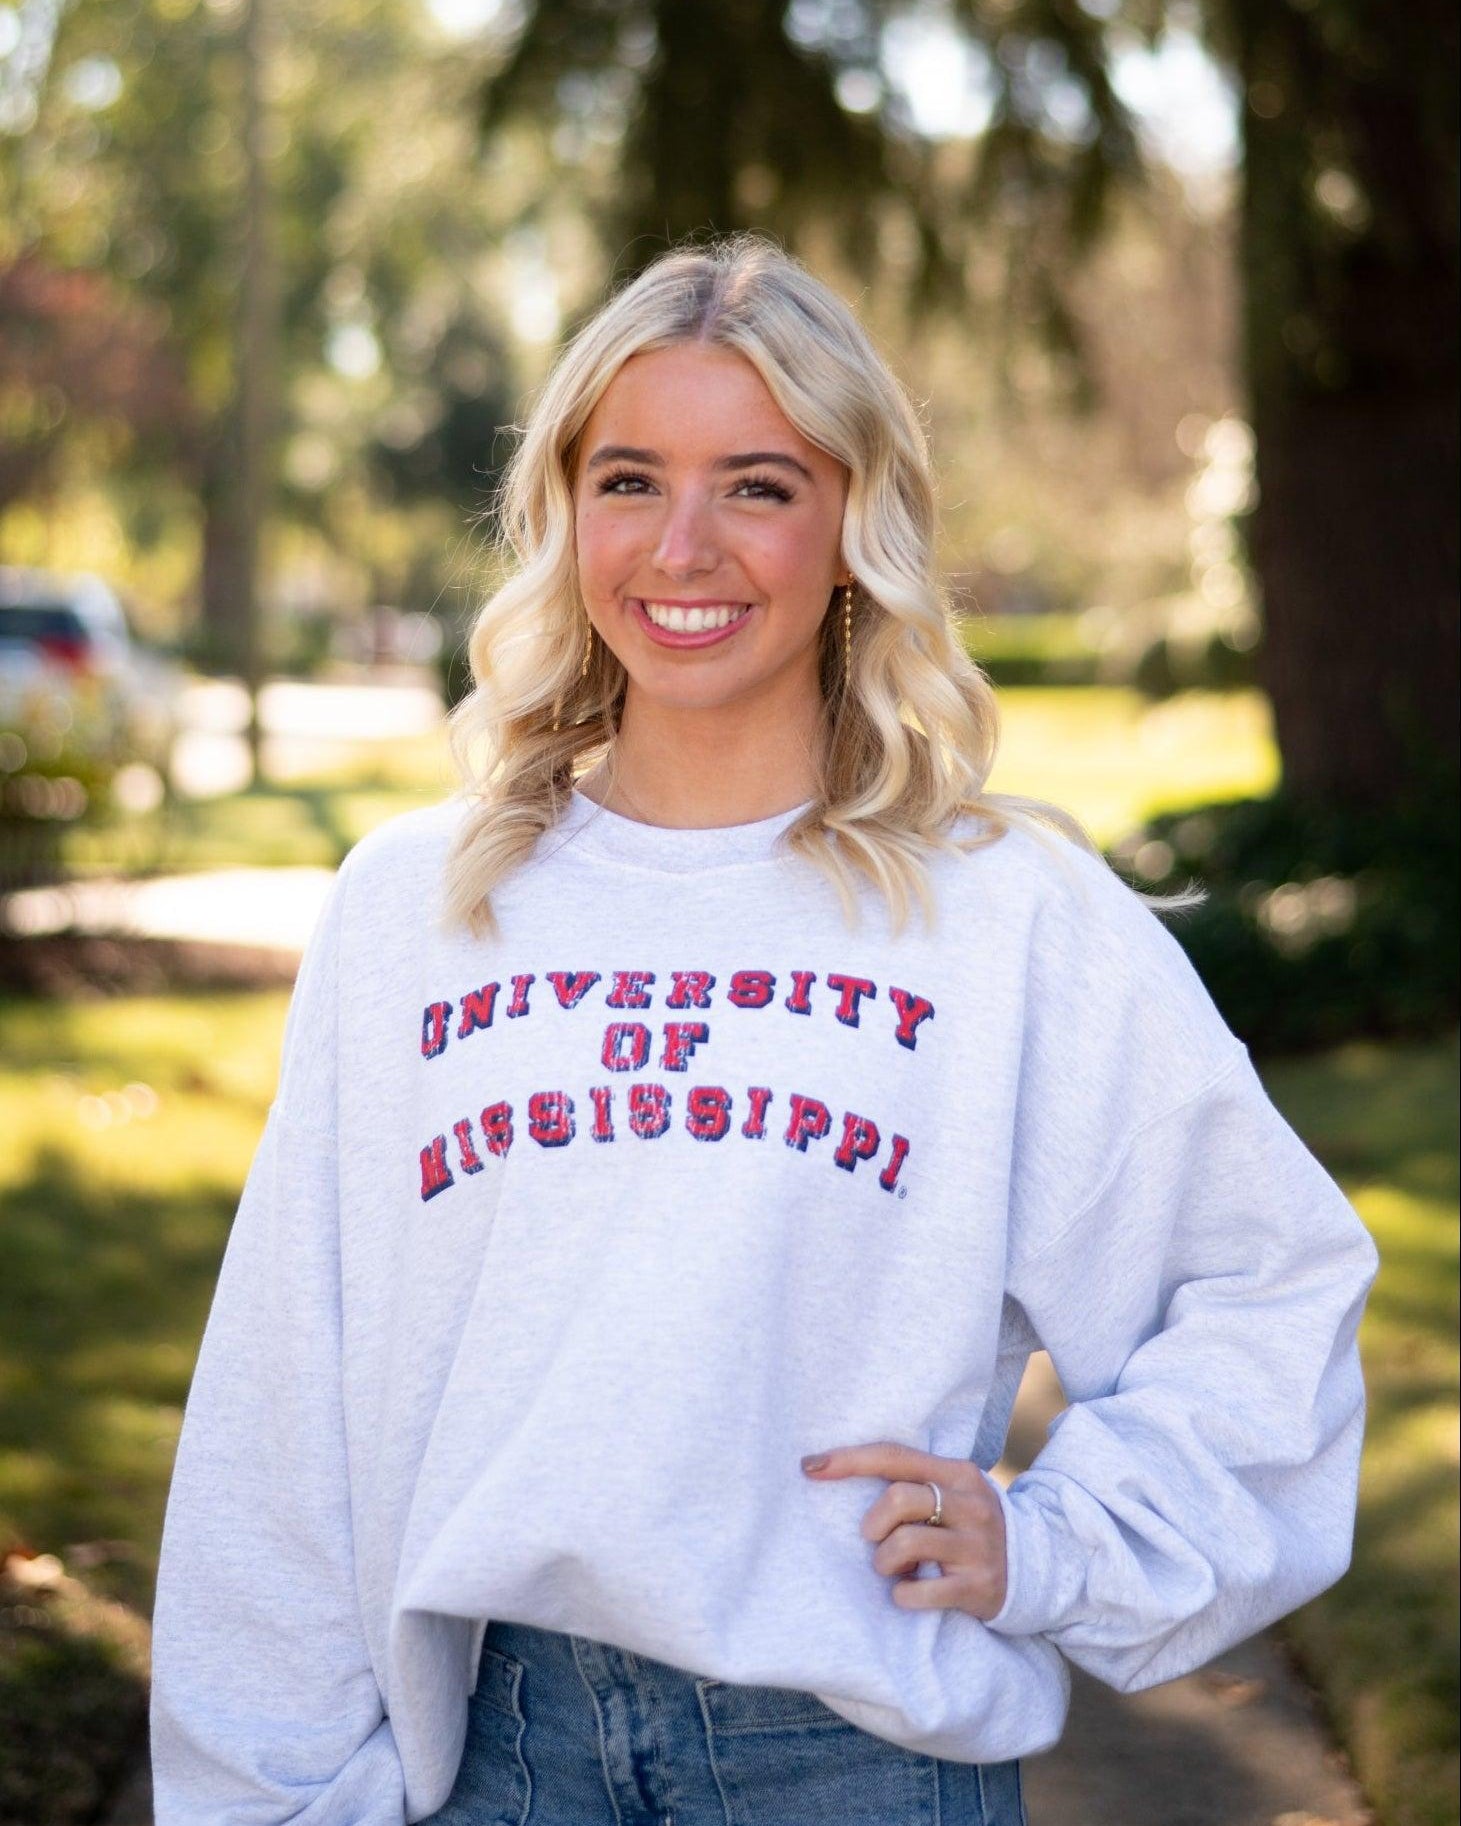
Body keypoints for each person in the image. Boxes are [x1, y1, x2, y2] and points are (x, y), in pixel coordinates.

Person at [149, 237, 1379, 1826]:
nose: (682, 545)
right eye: (628, 479)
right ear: (563, 511)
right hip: (497, 1759)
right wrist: (266, 1788)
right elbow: (284, 1400)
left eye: (756, 484)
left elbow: (1266, 1280)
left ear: (853, 527)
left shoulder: (1001, 914)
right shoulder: (419, 905)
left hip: (853, 1756)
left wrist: (1061, 1540)